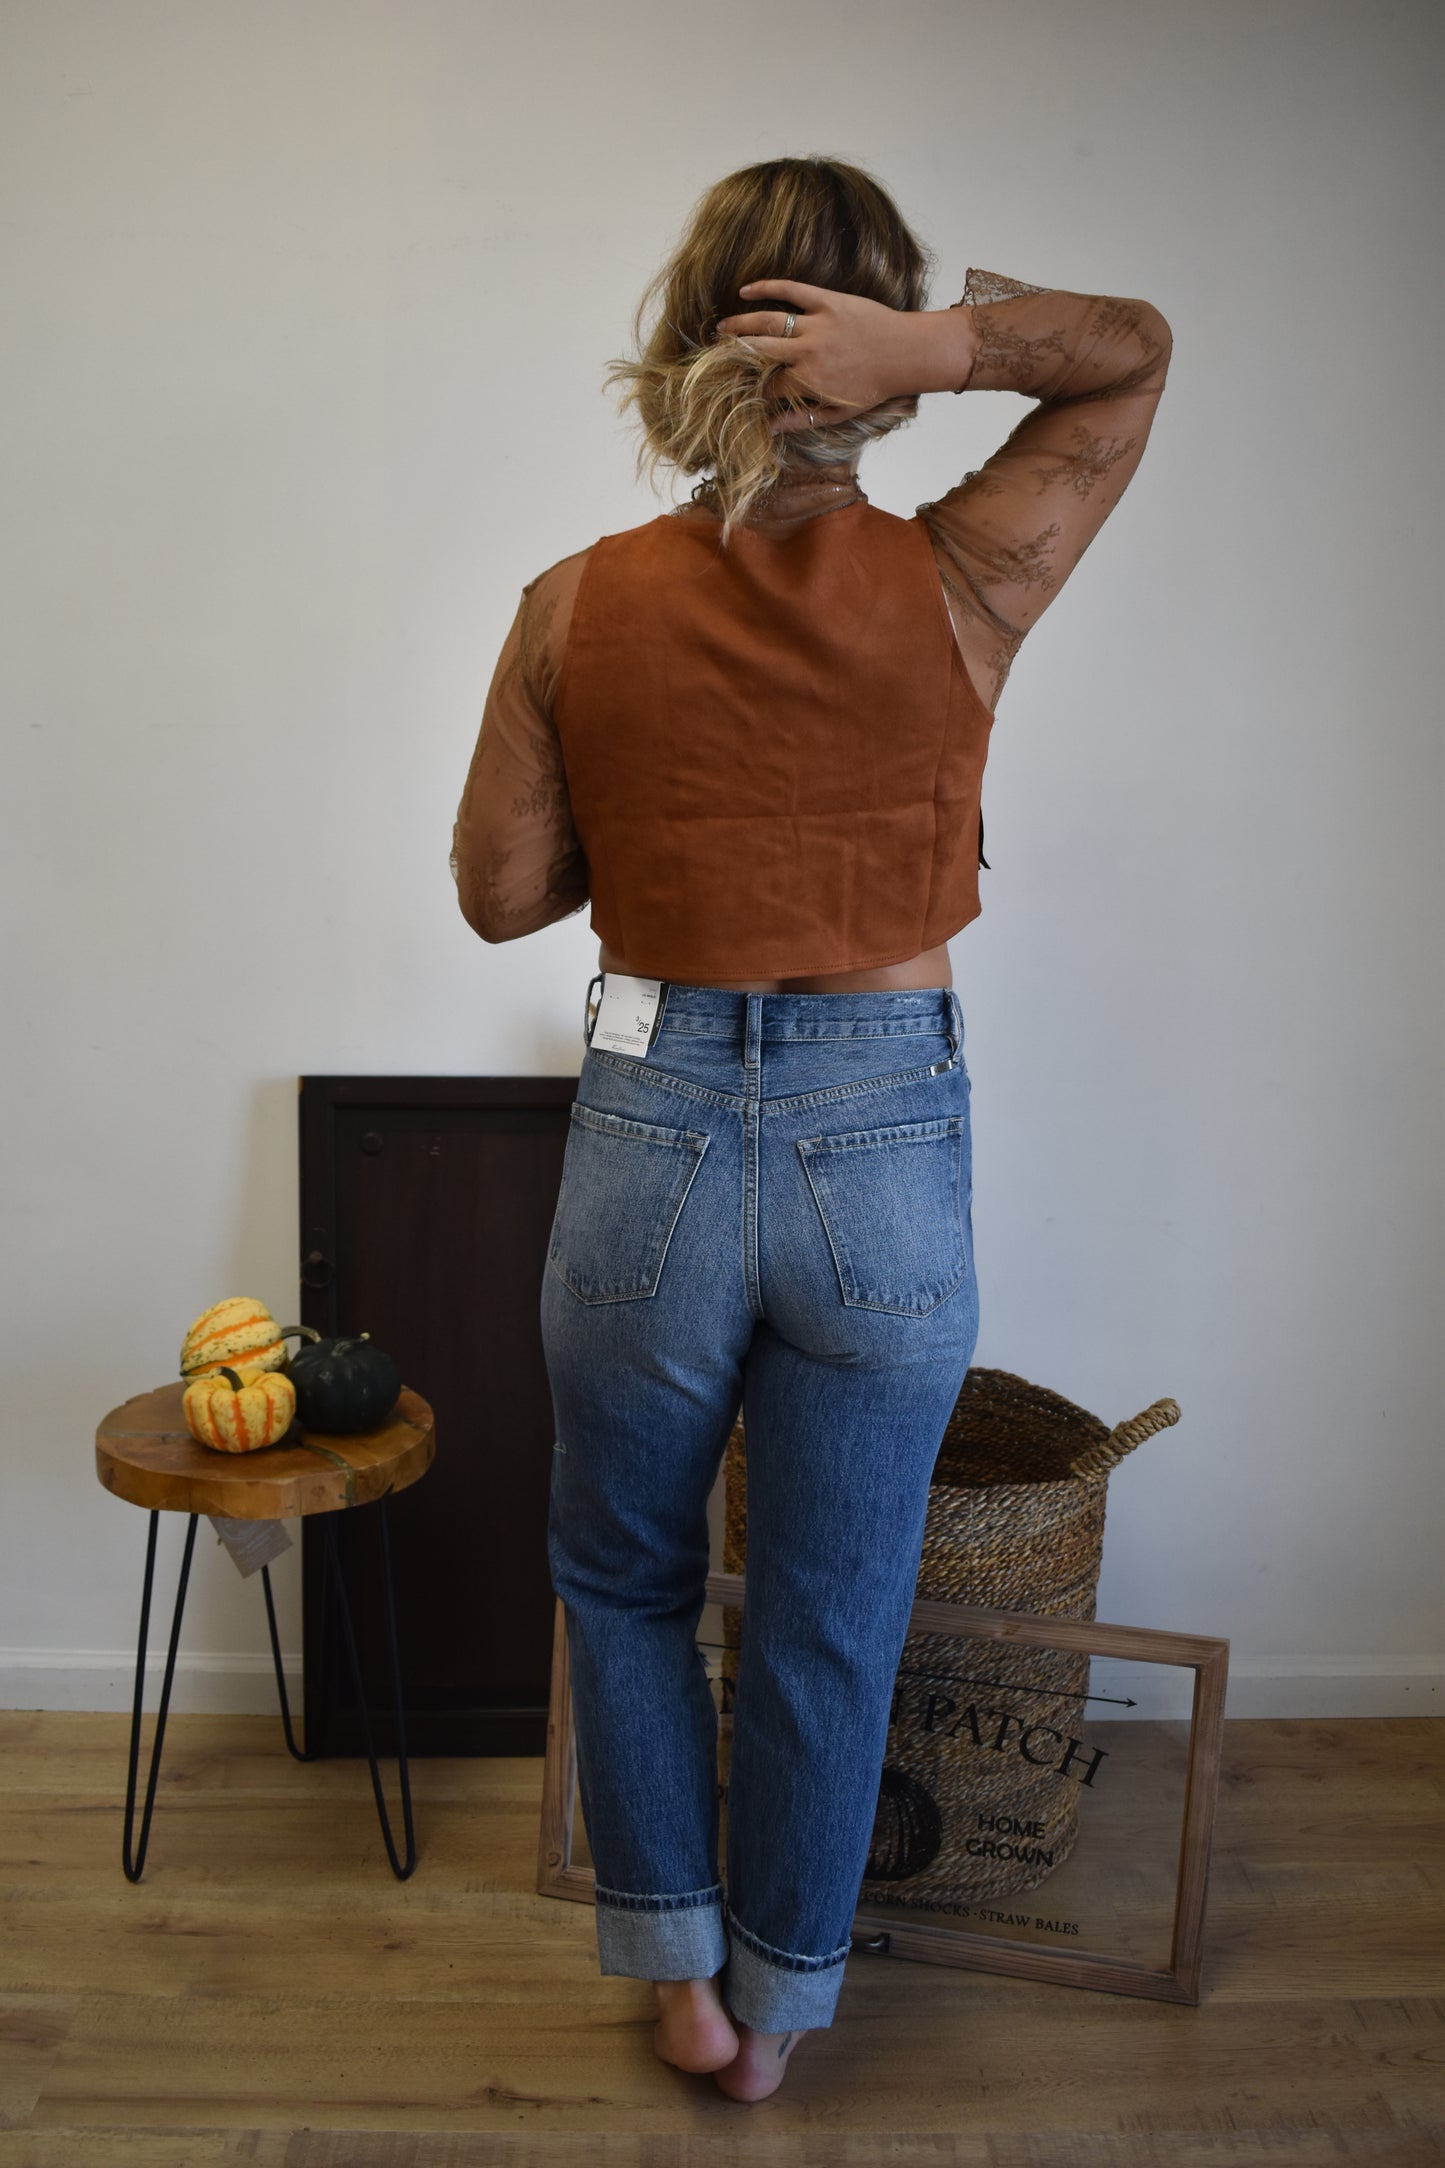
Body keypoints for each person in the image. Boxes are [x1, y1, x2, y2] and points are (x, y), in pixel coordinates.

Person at [452, 155, 1172, 2102]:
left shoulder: (569, 603)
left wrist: (667, 809)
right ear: (872, 365)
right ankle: (774, 2015)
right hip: (885, 1130)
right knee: (839, 1605)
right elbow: (1127, 358)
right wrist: (947, 346)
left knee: (624, 1572)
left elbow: (504, 895)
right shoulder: (968, 577)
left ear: (695, 334)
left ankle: (677, 1972)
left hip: (652, 1106)